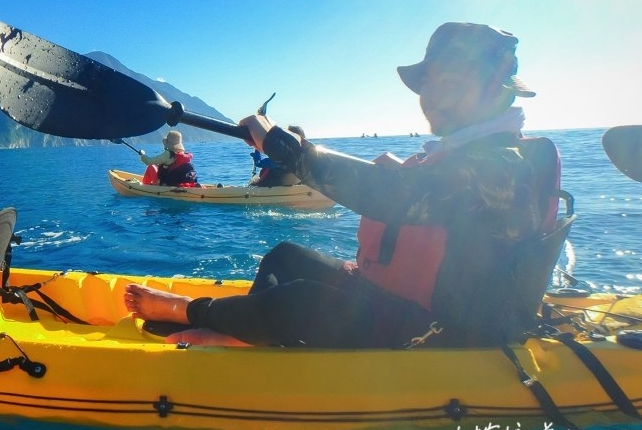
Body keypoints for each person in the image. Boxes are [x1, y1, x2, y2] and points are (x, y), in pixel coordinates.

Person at [124, 22, 561, 349]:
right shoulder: (464, 156)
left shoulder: (506, 165)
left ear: (494, 90)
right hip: (397, 301)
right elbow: (425, 194)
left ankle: (190, 311)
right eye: (428, 84)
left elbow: (396, 197)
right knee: (286, 255)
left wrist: (281, 145)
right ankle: (249, 332)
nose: (429, 98)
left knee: (302, 300)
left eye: (449, 83)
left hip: (445, 332)